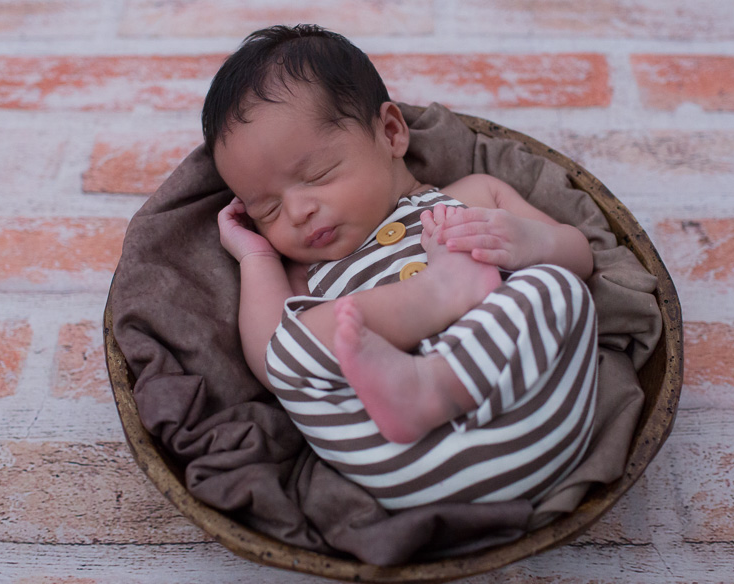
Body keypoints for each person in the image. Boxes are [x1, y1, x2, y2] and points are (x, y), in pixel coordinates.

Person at [204, 24, 600, 510]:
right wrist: (257, 255)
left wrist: (528, 240)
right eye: (266, 208)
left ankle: (436, 383)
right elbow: (273, 362)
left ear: (390, 133)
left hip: (533, 414)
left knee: (555, 285)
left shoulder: (474, 196)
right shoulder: (309, 275)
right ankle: (439, 301)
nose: (297, 212)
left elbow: (579, 255)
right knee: (291, 346)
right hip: (403, 460)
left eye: (317, 175)